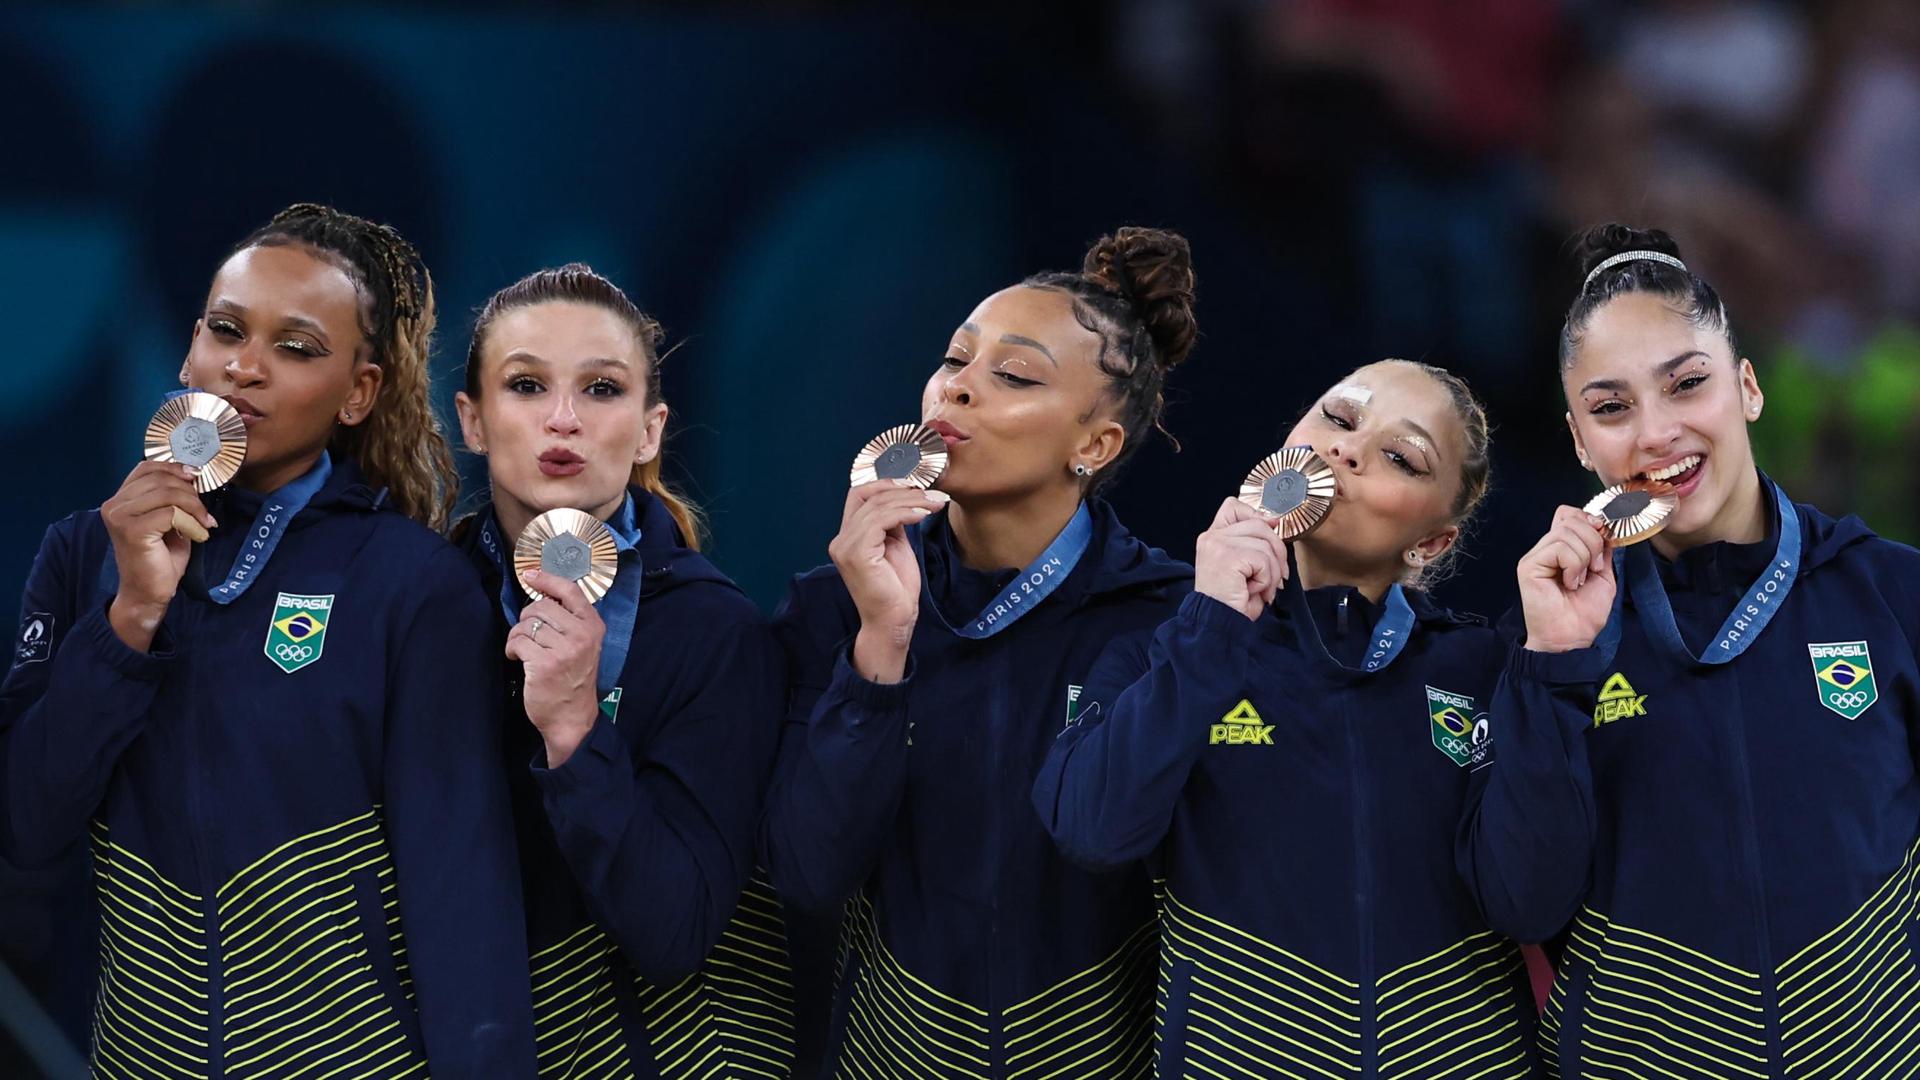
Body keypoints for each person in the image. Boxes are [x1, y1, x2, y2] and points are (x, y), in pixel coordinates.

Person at [0, 203, 534, 1075]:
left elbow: (461, 897)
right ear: (189, 351)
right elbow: (26, 828)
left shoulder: (410, 585)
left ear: (358, 393)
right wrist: (129, 619)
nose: (243, 367)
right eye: (225, 330)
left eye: (296, 348)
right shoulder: (83, 556)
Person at [1459, 223, 1920, 1077]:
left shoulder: (1891, 597)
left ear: (1747, 386)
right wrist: (1556, 669)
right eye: (1611, 408)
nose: (1657, 433)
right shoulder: (1535, 646)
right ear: (1577, 441)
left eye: (1687, 385)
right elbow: (1523, 902)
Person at [761, 227, 1198, 1076]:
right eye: (955, 360)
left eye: (1014, 375)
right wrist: (878, 654)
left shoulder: (1170, 626)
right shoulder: (831, 607)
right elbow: (808, 876)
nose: (957, 389)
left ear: (1094, 446)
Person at [1036, 359, 1537, 1078]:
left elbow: (1536, 899)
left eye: (1400, 456)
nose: (1348, 449)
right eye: (1338, 418)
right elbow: (1091, 832)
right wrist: (1209, 630)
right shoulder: (1157, 657)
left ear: (1431, 543)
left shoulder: (1483, 671)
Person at [452, 263, 792, 1078]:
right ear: (472, 419)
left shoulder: (718, 633)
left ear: (649, 430)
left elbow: (676, 931)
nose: (562, 420)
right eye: (526, 385)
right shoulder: (418, 602)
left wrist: (575, 732)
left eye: (602, 390)